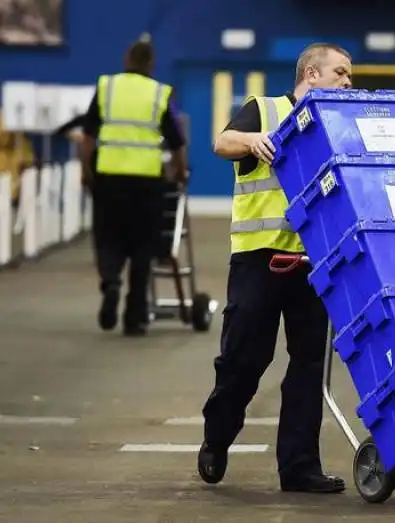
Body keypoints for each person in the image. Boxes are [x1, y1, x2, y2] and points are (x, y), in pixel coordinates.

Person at [197, 43, 352, 493]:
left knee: (307, 366)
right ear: (311, 73)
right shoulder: (263, 110)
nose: (347, 82)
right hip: (260, 260)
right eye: (340, 73)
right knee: (245, 360)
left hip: (313, 263)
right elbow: (222, 141)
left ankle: (299, 468)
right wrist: (249, 140)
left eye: (349, 75)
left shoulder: (337, 126)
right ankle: (217, 437)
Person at [80, 39, 187, 336]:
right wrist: (179, 173)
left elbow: (88, 136)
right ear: (151, 64)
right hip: (147, 183)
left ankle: (111, 282)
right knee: (143, 248)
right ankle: (135, 317)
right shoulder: (159, 94)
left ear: (127, 59)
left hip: (109, 178)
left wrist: (85, 170)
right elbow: (177, 142)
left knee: (108, 239)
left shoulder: (106, 88)